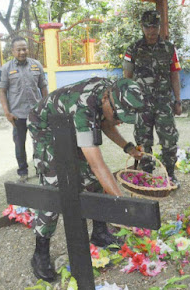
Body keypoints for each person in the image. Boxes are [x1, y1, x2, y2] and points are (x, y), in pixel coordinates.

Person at [28, 77, 144, 281]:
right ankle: (40, 252)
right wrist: (124, 207)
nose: (119, 121)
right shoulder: (84, 107)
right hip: (44, 127)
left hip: (69, 126)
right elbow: (98, 165)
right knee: (55, 186)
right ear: (108, 99)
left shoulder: (108, 93)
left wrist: (127, 147)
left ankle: (99, 232)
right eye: (118, 116)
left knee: (93, 180)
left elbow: (106, 122)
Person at [123, 10, 182, 187]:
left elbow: (174, 75)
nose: (151, 31)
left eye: (154, 26)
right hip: (142, 105)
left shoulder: (169, 48)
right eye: (147, 27)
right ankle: (147, 176)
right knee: (143, 142)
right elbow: (127, 77)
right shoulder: (133, 49)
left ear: (159, 26)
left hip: (164, 103)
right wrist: (127, 102)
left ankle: (169, 175)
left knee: (169, 140)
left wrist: (178, 101)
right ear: (142, 27)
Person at [0, 36, 48, 183]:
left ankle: (41, 169)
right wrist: (7, 112)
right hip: (17, 114)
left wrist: (46, 106)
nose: (22, 52)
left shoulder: (36, 65)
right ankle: (23, 172)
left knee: (40, 143)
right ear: (13, 51)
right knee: (20, 144)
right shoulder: (6, 68)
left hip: (36, 113)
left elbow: (43, 87)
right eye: (19, 49)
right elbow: (2, 91)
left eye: (24, 48)